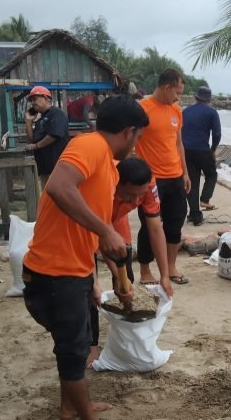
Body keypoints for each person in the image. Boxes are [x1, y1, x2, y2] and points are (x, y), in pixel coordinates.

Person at [22, 95, 147, 420]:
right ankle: (83, 415)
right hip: (54, 274)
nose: (135, 146)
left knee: (73, 349)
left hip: (72, 272)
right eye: (138, 138)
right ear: (129, 132)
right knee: (74, 351)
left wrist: (104, 280)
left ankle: (70, 407)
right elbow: (59, 187)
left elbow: (88, 234)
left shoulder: (106, 164)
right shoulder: (91, 146)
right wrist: (106, 232)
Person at [87, 157, 174, 367]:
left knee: (128, 280)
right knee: (87, 288)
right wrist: (99, 280)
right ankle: (90, 346)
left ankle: (127, 342)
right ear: (118, 182)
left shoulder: (148, 185)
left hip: (116, 222)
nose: (134, 199)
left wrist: (164, 274)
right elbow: (96, 238)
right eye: (129, 194)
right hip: (85, 225)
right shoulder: (101, 187)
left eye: (139, 195)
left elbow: (155, 228)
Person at [135, 68, 191, 285]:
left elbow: (178, 143)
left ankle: (171, 267)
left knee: (175, 222)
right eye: (177, 91)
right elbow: (131, 140)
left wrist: (185, 172)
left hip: (175, 176)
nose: (178, 97)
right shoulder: (142, 109)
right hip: (151, 180)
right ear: (166, 87)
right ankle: (145, 271)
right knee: (149, 224)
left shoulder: (176, 110)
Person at [182, 85, 221, 226]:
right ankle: (205, 199)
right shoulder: (212, 112)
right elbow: (217, 134)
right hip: (203, 150)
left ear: (196, 97)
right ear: (209, 99)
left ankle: (194, 215)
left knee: (192, 182)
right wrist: (213, 149)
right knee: (211, 175)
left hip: (186, 151)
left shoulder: (185, 112)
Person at [24, 85, 70, 189]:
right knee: (47, 196)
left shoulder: (56, 114)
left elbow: (54, 135)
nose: (32, 103)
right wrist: (28, 122)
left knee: (57, 196)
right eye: (31, 100)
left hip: (57, 167)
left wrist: (36, 146)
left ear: (45, 98)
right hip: (44, 168)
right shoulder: (41, 119)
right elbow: (31, 141)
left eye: (35, 99)